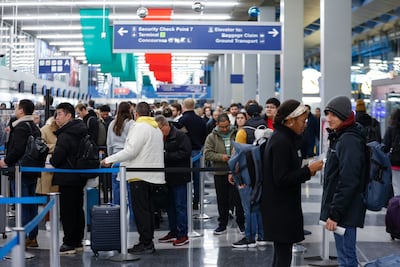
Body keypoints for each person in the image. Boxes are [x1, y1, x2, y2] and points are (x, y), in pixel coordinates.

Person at [261, 99, 323, 267]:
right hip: (281, 208)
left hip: (280, 206)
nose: (305, 125)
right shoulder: (281, 141)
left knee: (281, 253)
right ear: (289, 121)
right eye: (303, 121)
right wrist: (308, 171)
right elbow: (281, 178)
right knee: (283, 256)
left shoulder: (283, 138)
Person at [101, 101, 165, 254]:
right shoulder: (155, 128)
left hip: (139, 175)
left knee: (141, 211)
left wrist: (109, 160)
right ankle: (148, 241)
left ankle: (145, 243)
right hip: (154, 175)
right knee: (148, 211)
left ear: (136, 113)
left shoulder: (139, 127)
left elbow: (130, 151)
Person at [320, 96, 367, 267]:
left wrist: (335, 214)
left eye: (333, 115)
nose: (329, 118)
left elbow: (349, 180)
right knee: (344, 257)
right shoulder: (342, 136)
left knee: (347, 258)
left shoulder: (349, 140)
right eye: (327, 114)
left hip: (345, 210)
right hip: (343, 208)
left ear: (344, 116)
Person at [0, 99, 42, 248]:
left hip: (20, 171)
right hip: (32, 170)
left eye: (17, 107)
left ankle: (23, 237)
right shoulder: (34, 127)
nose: (15, 110)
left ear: (22, 111)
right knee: (31, 205)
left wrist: (6, 161)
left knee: (22, 204)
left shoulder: (21, 127)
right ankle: (32, 236)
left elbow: (17, 149)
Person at [49, 102, 88, 254]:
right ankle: (77, 240)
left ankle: (69, 242)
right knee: (78, 208)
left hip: (66, 176)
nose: (56, 117)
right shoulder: (82, 131)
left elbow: (57, 158)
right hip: (79, 175)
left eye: (59, 114)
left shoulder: (65, 135)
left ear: (68, 115)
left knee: (67, 211)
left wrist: (52, 160)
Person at [204, 113, 245, 235]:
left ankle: (241, 223)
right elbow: (207, 153)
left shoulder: (237, 133)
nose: (225, 129)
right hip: (220, 172)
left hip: (236, 172)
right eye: (222, 127)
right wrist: (222, 157)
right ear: (217, 125)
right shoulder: (211, 137)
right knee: (222, 200)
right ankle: (222, 224)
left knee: (238, 200)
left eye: (227, 126)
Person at [155, 115, 192, 246]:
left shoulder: (180, 136)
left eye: (159, 128)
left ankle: (183, 234)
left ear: (165, 126)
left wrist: (167, 156)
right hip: (166, 177)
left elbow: (186, 153)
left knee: (180, 206)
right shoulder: (160, 138)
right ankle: (173, 231)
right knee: (170, 206)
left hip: (179, 175)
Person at [178, 98, 207, 210]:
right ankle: (196, 201)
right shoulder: (200, 120)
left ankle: (185, 200)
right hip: (198, 152)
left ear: (183, 106)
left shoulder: (182, 120)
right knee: (197, 179)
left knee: (184, 178)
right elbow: (205, 136)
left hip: (185, 153)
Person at [106, 102, 134, 214]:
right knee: (131, 191)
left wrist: (110, 158)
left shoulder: (112, 124)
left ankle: (116, 214)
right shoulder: (132, 124)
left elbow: (109, 143)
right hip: (129, 160)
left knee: (116, 191)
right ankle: (132, 216)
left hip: (115, 160)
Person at [36, 115, 59, 232]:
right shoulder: (44, 130)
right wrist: (58, 147)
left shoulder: (63, 130)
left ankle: (57, 219)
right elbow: (41, 146)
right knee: (48, 196)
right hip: (47, 168)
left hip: (60, 168)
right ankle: (48, 220)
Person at [382, 108, 400, 196]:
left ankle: (397, 206)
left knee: (396, 186)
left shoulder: (391, 129)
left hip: (395, 163)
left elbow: (385, 147)